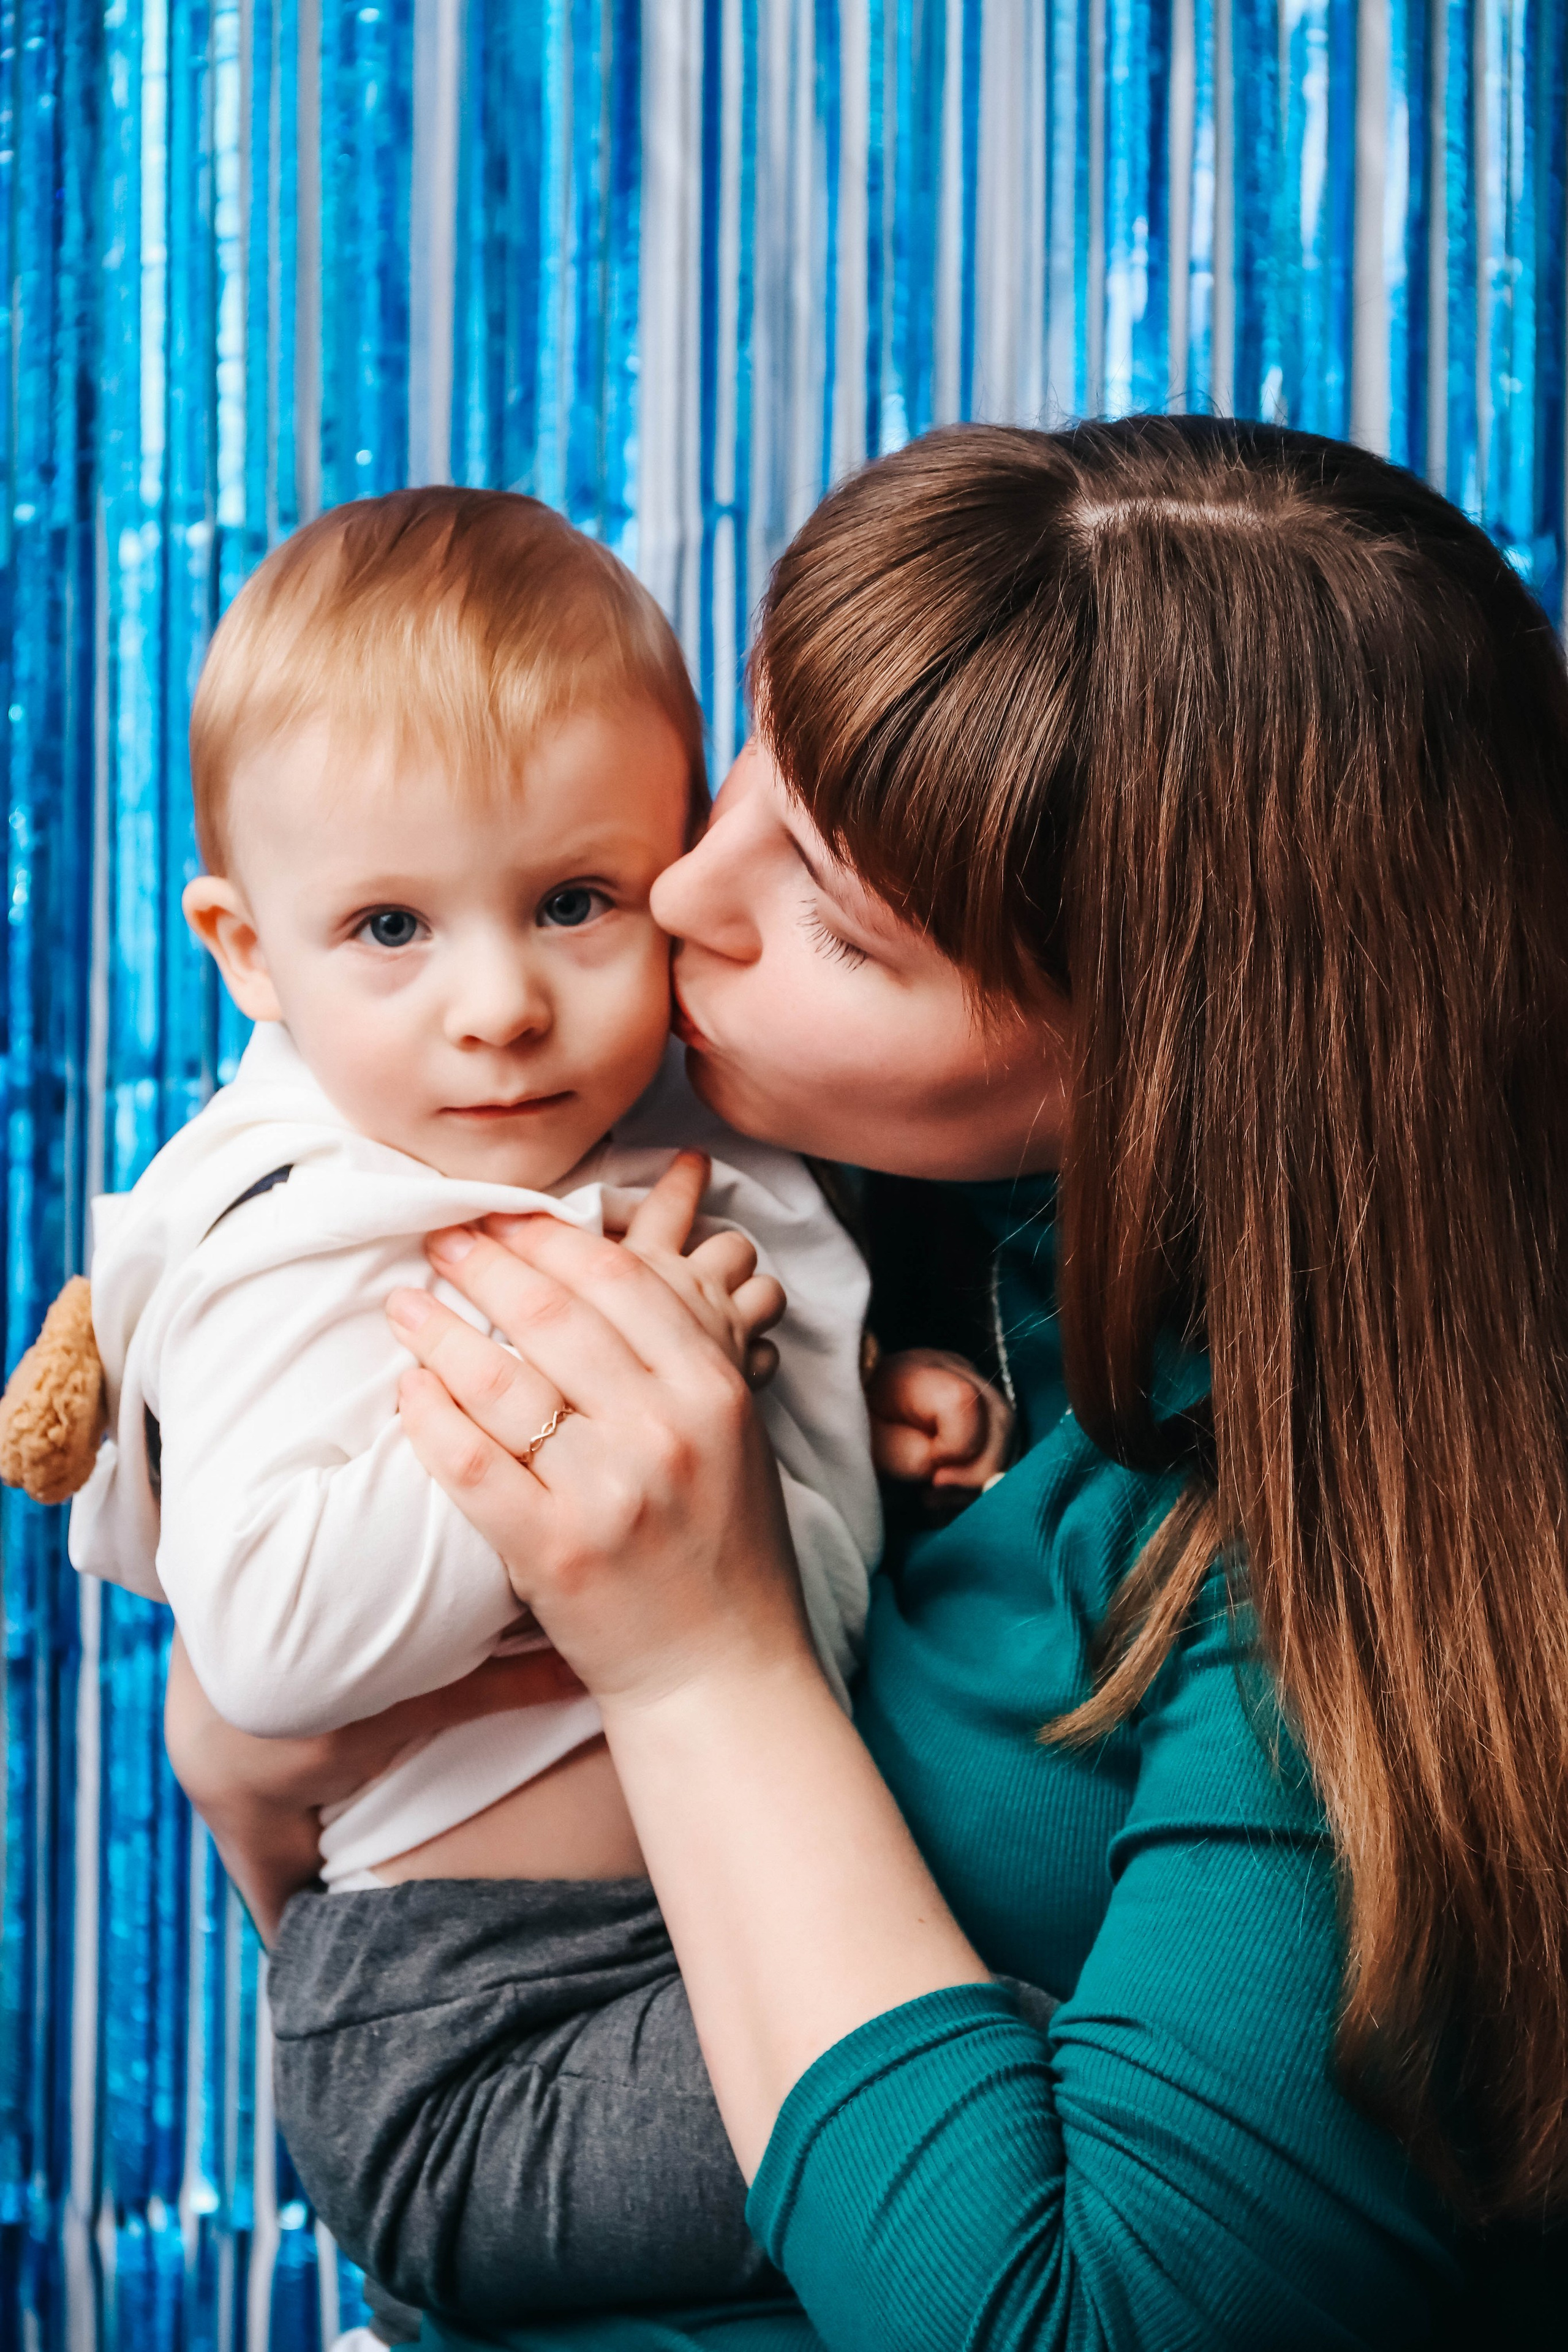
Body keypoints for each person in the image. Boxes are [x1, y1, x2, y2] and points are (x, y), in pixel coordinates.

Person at [172, 417, 1568, 2350]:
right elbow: (306, 1778)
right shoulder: (816, 1177)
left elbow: (1083, 2315)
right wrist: (268, 1774)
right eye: (756, 761)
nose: (676, 901)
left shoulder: (1356, 1564)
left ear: (1172, 1055)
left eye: (834, 916)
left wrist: (696, 1656)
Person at [67, 483, 1008, 2337]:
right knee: (1023, 2118)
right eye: (392, 928)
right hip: (485, 2025)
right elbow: (261, 1650)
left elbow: (747, 1542)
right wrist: (595, 1406)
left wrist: (832, 1397)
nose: (499, 1005)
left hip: (699, 1927)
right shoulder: (301, 1235)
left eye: (577, 901)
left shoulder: (674, 1136)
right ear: (249, 955)